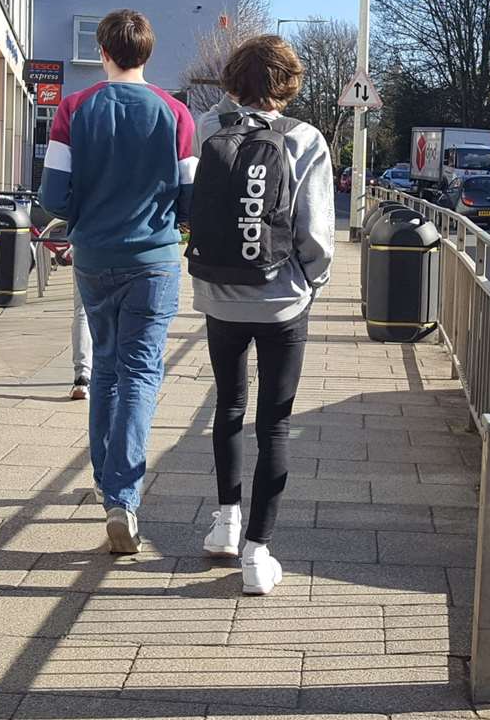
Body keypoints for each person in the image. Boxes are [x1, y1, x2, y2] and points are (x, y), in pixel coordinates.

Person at [40, 9, 195, 555]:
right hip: (153, 260)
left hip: (93, 256)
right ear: (147, 54)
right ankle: (123, 498)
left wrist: (83, 216)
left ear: (103, 51)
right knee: (140, 373)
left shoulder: (73, 109)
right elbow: (189, 195)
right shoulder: (176, 114)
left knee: (104, 368)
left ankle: (110, 488)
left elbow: (54, 196)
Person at [191, 35, 333, 596]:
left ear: (232, 78)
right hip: (280, 299)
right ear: (288, 82)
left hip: (218, 294)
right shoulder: (303, 138)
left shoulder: (208, 130)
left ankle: (224, 522)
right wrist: (311, 284)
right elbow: (315, 232)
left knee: (227, 406)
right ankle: (257, 553)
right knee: (274, 421)